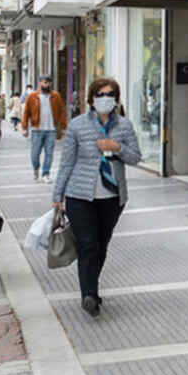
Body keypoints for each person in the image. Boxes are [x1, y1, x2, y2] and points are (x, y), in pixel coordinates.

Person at [51, 77, 141, 318]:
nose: (105, 99)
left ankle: (91, 287)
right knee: (88, 244)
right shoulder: (78, 125)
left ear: (116, 99)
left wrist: (117, 147)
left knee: (101, 245)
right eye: (100, 94)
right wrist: (57, 194)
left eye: (109, 94)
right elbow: (67, 162)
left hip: (112, 196)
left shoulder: (124, 126)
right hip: (79, 194)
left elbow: (135, 157)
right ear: (91, 99)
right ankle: (89, 295)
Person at [23, 76, 67, 183]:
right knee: (35, 153)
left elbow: (61, 112)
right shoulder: (32, 96)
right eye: (44, 82)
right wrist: (24, 128)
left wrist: (63, 127)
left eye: (48, 83)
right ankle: (36, 168)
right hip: (36, 129)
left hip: (51, 130)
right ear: (39, 83)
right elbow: (26, 113)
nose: (46, 85)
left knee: (49, 153)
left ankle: (46, 174)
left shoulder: (55, 96)